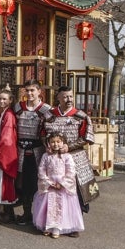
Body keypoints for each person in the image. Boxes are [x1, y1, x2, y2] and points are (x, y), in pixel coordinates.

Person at [44, 86, 98, 231]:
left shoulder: (80, 116)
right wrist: (47, 145)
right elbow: (42, 134)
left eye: (71, 96)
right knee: (54, 192)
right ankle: (55, 223)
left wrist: (70, 147)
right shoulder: (49, 115)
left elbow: (87, 137)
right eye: (65, 97)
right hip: (54, 160)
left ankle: (75, 224)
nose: (69, 100)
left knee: (75, 193)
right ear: (58, 98)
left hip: (75, 157)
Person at [32, 132, 84, 238]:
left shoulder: (67, 156)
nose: (55, 144)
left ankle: (57, 228)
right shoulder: (46, 156)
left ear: (63, 142)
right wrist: (48, 182)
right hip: (50, 184)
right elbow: (41, 170)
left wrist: (62, 184)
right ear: (48, 143)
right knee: (49, 206)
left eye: (58, 142)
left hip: (62, 186)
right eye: (52, 142)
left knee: (62, 206)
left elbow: (71, 172)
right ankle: (47, 226)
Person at [13, 79, 52, 225]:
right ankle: (26, 212)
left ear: (39, 91)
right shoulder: (18, 107)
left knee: (39, 183)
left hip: (38, 151)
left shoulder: (46, 109)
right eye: (27, 90)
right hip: (20, 150)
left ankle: (40, 214)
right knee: (22, 183)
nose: (29, 93)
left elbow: (51, 131)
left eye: (32, 90)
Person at [0, 87, 19, 223]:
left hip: (4, 152)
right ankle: (3, 211)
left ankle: (4, 212)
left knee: (2, 183)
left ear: (10, 100)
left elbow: (6, 139)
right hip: (1, 148)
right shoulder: (5, 113)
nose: (1, 101)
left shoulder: (8, 115)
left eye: (4, 99)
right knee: (1, 183)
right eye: (0, 98)